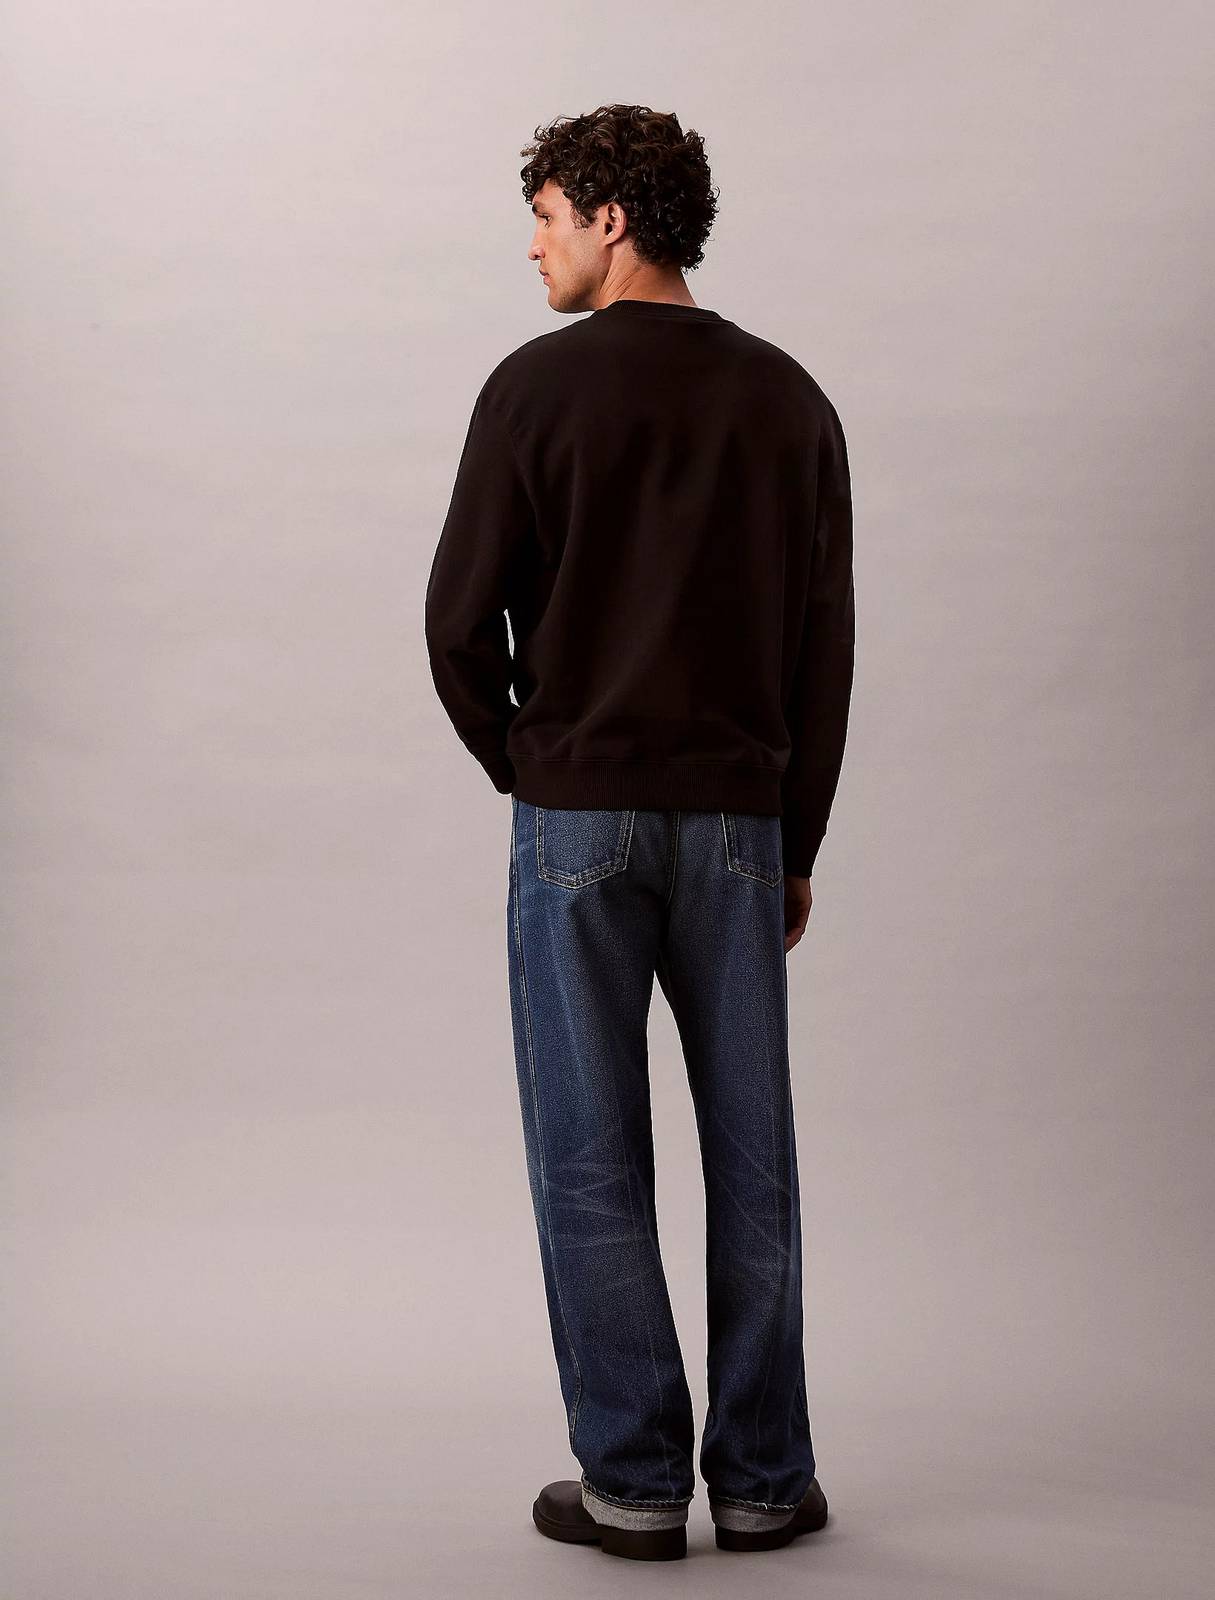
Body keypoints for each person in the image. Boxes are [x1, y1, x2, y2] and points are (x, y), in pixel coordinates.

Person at [424, 103, 855, 1563]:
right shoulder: (789, 401)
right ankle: (764, 1481)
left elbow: (455, 625)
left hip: (579, 822)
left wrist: (535, 768)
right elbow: (822, 650)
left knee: (590, 1154)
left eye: (547, 216)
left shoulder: (533, 391)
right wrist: (795, 841)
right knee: (755, 1152)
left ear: (611, 220)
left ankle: (632, 1482)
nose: (533, 246)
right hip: (737, 826)